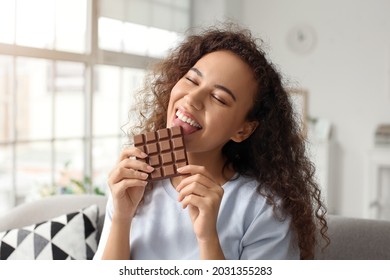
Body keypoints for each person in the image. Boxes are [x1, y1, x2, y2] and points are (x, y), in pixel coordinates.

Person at [94, 23, 329, 260]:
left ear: (243, 130)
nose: (192, 99)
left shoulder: (263, 209)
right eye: (192, 81)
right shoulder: (135, 185)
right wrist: (121, 218)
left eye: (218, 98)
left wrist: (208, 238)